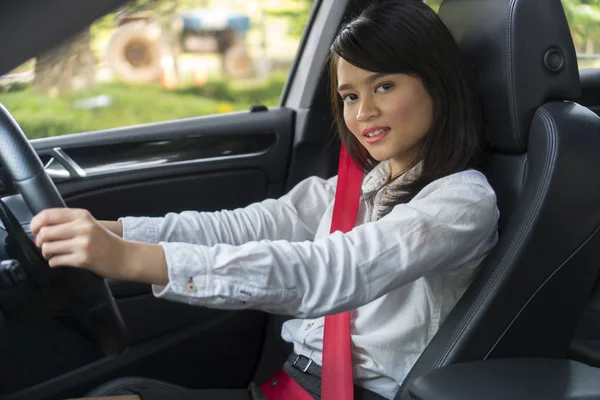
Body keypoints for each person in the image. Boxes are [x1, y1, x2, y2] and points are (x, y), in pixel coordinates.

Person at [30, 1, 499, 399]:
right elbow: (244, 226)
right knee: (122, 392)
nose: (363, 112)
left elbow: (330, 270)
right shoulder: (351, 190)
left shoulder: (461, 201)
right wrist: (117, 232)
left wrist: (132, 259)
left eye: (384, 86)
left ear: (436, 84)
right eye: (349, 96)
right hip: (284, 385)